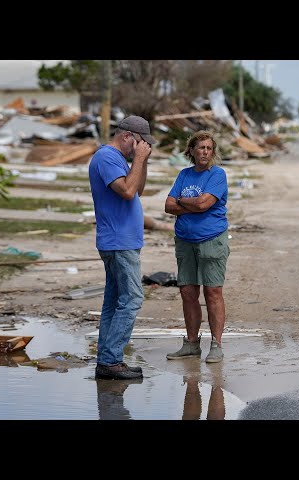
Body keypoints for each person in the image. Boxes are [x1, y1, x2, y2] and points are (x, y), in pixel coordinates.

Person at [88, 115, 156, 380]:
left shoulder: (120, 160)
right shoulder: (106, 158)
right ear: (127, 136)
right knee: (132, 298)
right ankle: (111, 360)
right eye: (138, 143)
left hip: (124, 240)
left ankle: (107, 360)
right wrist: (138, 160)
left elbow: (137, 189)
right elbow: (126, 192)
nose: (139, 149)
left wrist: (143, 161)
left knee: (114, 301)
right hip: (118, 242)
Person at [164, 130, 229, 363]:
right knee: (188, 292)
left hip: (212, 239)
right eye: (200, 147)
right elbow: (168, 206)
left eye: (209, 148)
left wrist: (182, 202)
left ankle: (216, 345)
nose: (205, 152)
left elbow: (203, 204)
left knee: (213, 292)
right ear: (191, 151)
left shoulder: (217, 175)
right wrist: (187, 204)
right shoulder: (184, 175)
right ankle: (192, 344)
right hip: (185, 240)